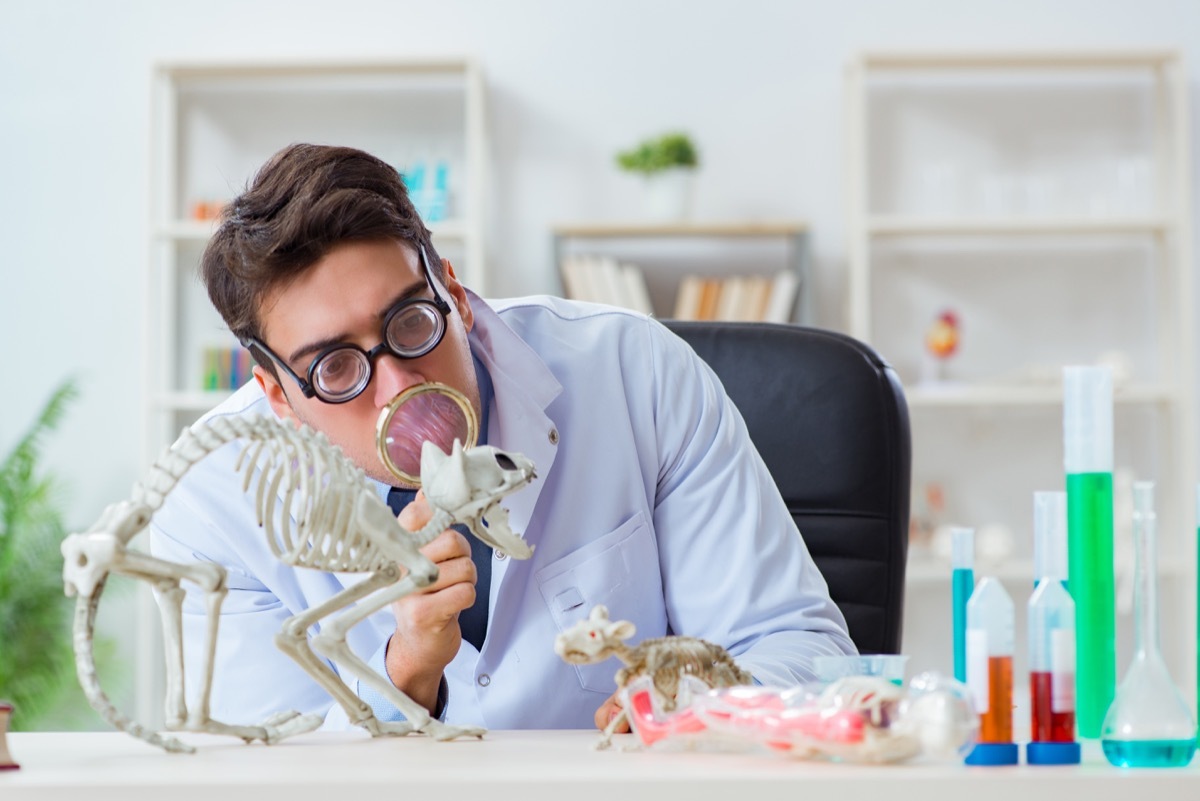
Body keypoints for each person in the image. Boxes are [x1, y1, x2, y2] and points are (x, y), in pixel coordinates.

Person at [149, 143, 855, 734]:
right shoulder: (211, 504)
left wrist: (707, 710)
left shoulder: (638, 376)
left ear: (452, 291)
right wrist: (407, 671)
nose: (399, 388)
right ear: (278, 394)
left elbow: (797, 646)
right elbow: (262, 771)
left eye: (411, 323)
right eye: (337, 368)